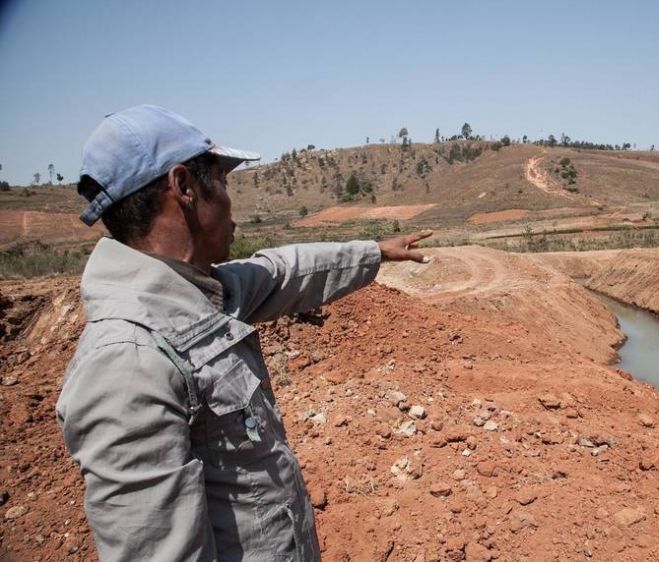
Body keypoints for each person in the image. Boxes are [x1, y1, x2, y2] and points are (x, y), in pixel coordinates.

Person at [56, 105, 431, 561]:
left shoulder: (201, 293)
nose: (233, 205)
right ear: (185, 187)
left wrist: (375, 252)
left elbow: (282, 272)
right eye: (225, 182)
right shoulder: (126, 360)